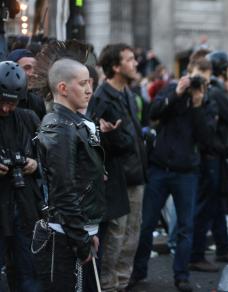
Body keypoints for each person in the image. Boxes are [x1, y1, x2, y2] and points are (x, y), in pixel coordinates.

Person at [131, 57, 214, 292]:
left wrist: (197, 105)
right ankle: (139, 271)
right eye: (197, 74)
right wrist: (177, 93)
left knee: (185, 227)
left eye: (204, 75)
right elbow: (154, 113)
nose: (199, 79)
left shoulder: (207, 101)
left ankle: (182, 276)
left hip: (187, 172)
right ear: (188, 72)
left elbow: (207, 140)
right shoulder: (171, 89)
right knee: (147, 224)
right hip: (160, 168)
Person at [35, 58, 109, 291]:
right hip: (65, 237)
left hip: (78, 231)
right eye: (83, 83)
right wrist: (80, 239)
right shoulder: (59, 127)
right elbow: (64, 191)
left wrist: (87, 233)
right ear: (63, 88)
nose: (89, 89)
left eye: (90, 83)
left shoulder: (75, 122)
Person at [87, 43, 147, 292]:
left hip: (136, 174)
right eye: (130, 59)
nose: (135, 63)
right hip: (116, 177)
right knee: (116, 237)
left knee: (132, 235)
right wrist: (104, 135)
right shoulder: (102, 96)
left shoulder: (128, 94)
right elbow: (90, 137)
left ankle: (122, 282)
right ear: (115, 66)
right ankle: (110, 286)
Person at [189, 51, 228, 273]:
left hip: (213, 154)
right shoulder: (218, 92)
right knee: (206, 205)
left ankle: (222, 247)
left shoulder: (214, 91)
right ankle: (196, 254)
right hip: (212, 155)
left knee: (217, 203)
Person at [0, 61, 41, 292]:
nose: (6, 108)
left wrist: (36, 164)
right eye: (2, 101)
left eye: (11, 102)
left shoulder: (29, 119)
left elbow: (50, 158)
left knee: (30, 273)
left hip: (25, 207)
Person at [6, 48, 46, 119]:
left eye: (35, 69)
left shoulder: (37, 102)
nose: (34, 74)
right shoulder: (3, 101)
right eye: (27, 68)